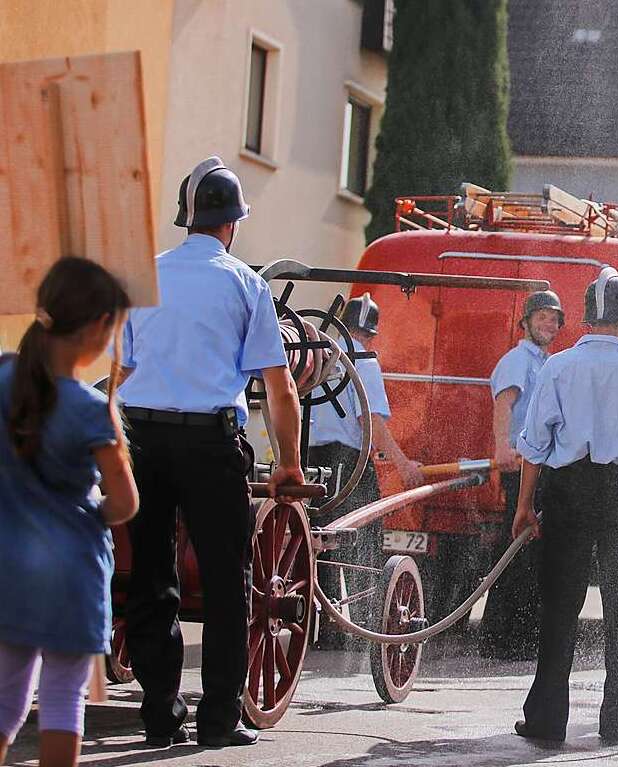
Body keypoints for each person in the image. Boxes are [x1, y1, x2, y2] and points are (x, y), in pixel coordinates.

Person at [119, 157, 303, 749]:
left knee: (151, 578)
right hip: (210, 442)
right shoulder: (245, 285)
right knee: (228, 585)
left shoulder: (142, 275)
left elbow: (116, 375)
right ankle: (219, 721)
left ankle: (159, 715)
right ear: (232, 224)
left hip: (141, 440)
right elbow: (280, 389)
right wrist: (289, 464)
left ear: (187, 219)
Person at [511, 268, 618, 745]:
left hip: (567, 489)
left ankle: (546, 722)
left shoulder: (557, 368)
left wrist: (524, 508)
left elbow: (535, 448)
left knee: (560, 608)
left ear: (587, 321)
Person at [0, 257, 138, 767]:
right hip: (71, 578)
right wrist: (93, 513)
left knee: (5, 698)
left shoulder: (3, 377)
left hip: (7, 568)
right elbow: (125, 503)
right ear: (101, 326)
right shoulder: (89, 409)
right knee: (61, 698)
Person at [307, 292, 423, 637]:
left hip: (313, 458)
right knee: (362, 541)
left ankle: (325, 626)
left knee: (321, 539)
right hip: (347, 460)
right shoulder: (364, 361)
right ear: (370, 333)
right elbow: (369, 420)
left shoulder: (321, 355)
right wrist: (403, 465)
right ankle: (359, 623)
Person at [478, 290, 564, 660]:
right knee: (518, 549)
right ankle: (500, 638)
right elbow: (505, 402)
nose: (548, 324)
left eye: (554, 319)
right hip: (520, 464)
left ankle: (518, 637)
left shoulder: (544, 362)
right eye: (541, 317)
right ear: (526, 322)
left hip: (539, 465)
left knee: (532, 551)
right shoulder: (518, 360)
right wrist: (501, 448)